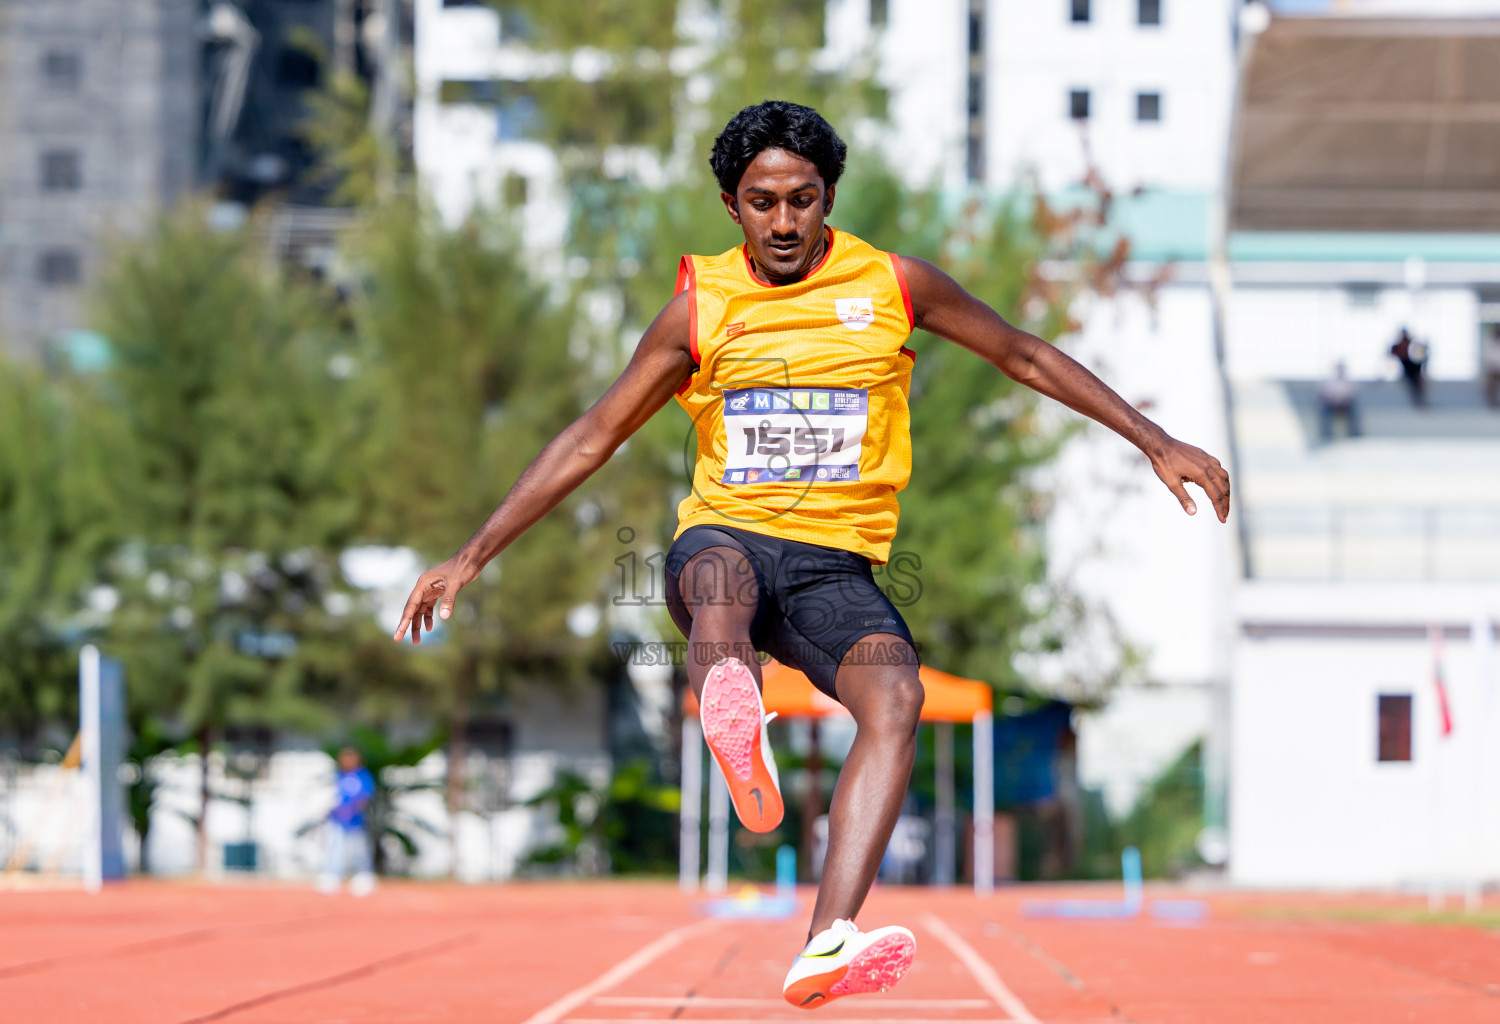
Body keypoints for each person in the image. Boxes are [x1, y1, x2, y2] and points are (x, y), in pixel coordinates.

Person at [392, 101, 1229, 1008]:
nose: (784, 222)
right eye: (762, 202)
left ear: (829, 196)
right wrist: (472, 555)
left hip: (834, 569)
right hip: (725, 537)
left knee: (897, 694)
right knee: (720, 581)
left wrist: (1154, 440)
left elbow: (1022, 356)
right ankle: (733, 711)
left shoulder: (894, 284)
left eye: (803, 199)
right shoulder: (701, 309)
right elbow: (594, 435)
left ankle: (827, 938)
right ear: (730, 205)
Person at [318, 747, 376, 896]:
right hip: (337, 820)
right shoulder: (338, 776)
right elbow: (331, 796)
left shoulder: (362, 776)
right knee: (334, 848)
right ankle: (332, 875)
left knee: (359, 850)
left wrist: (354, 809)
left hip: (356, 820)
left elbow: (365, 796)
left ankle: (363, 876)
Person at [1317, 360, 1360, 440]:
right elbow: (1324, 395)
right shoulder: (1329, 381)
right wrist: (1334, 400)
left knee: (1354, 410)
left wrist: (1343, 400)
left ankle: (1355, 436)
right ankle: (1326, 436)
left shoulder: (1349, 381)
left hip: (1345, 405)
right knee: (1324, 410)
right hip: (1332, 405)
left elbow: (1352, 395)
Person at [1389, 327, 1428, 407]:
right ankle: (1417, 401)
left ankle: (1420, 401)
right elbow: (1391, 353)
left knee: (1416, 384)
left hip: (1415, 368)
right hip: (1407, 371)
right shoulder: (1398, 347)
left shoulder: (1413, 345)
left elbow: (1422, 355)